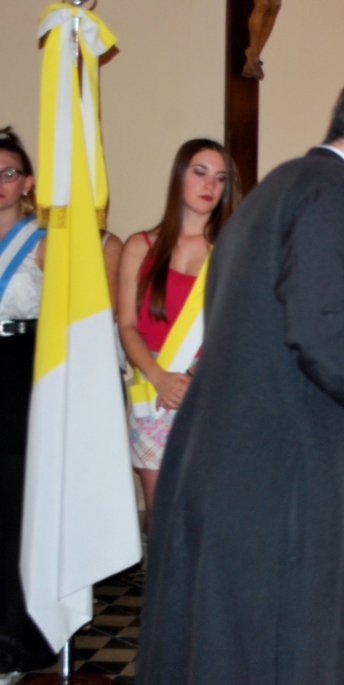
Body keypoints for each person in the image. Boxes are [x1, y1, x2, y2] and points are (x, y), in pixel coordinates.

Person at [136, 69, 344, 685]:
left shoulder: (274, 191)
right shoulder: (341, 196)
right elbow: (333, 346)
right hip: (283, 492)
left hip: (231, 474)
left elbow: (290, 330)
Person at [117, 139, 239, 514]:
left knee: (209, 511)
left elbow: (236, 332)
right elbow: (126, 325)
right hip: (151, 390)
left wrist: (190, 376)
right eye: (199, 173)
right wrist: (159, 377)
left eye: (219, 179)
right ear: (178, 178)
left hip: (209, 386)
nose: (209, 186)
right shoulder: (140, 246)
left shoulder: (233, 250)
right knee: (163, 516)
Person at [0, 127, 57, 682]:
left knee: (15, 517)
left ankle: (16, 642)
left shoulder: (42, 242)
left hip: (19, 376)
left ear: (28, 182)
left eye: (9, 173)